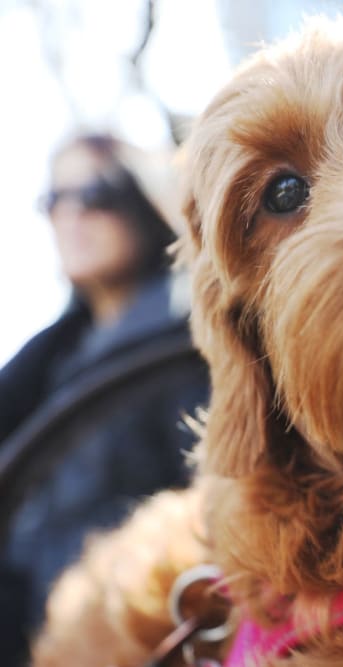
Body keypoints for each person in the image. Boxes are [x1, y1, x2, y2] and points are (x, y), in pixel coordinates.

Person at [0, 133, 209, 661]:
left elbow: (217, 492)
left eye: (95, 195)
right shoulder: (49, 367)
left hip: (136, 623)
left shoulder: (185, 335)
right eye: (55, 200)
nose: (72, 215)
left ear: (140, 199)